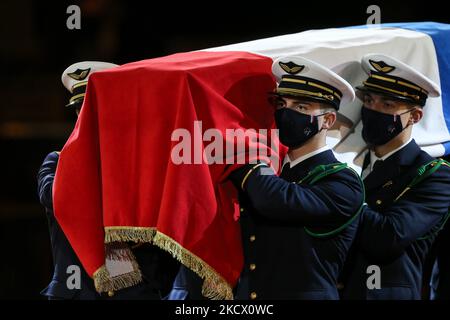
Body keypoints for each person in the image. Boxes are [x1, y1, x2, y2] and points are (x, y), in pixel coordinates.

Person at [38, 61, 179, 299]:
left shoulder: (142, 164)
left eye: (93, 107)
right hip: (78, 292)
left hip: (137, 291)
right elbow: (60, 199)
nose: (84, 115)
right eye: (79, 108)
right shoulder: (56, 162)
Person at [227, 56, 364, 300]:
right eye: (281, 104)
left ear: (328, 120)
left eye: (302, 107)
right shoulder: (275, 170)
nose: (286, 113)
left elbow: (276, 199)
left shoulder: (344, 182)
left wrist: (245, 154)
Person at [342, 54, 450, 300]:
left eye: (388, 105)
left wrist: (336, 193)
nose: (373, 110)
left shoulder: (434, 174)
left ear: (414, 116)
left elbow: (388, 237)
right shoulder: (349, 161)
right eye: (369, 100)